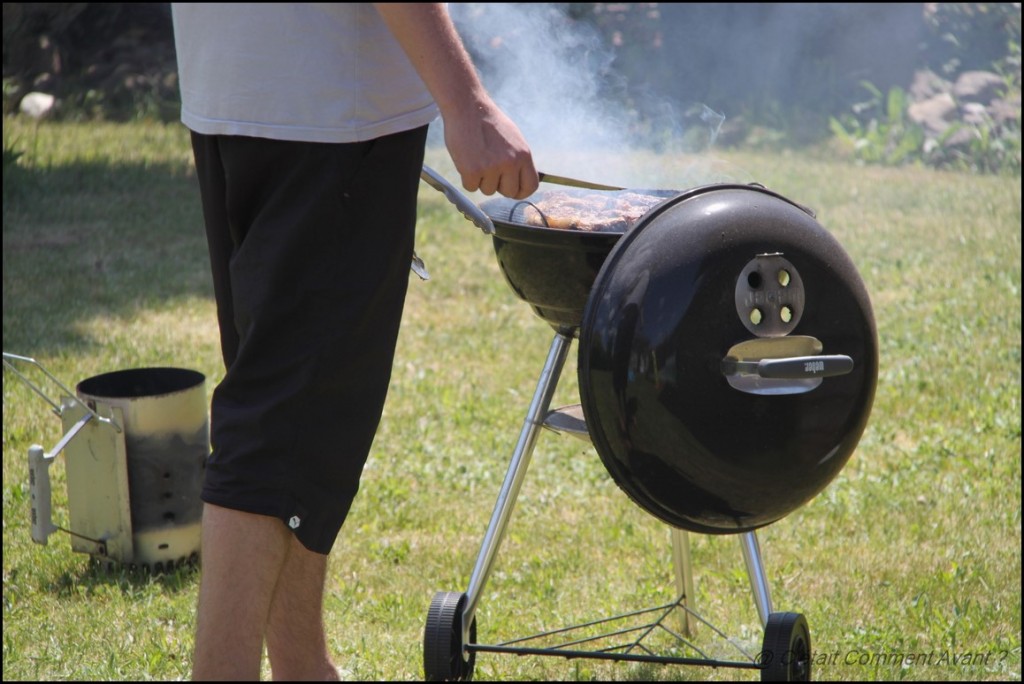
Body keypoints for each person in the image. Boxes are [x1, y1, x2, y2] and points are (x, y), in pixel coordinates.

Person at [170, 4, 538, 680]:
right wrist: (469, 103)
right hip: (331, 116)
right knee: (274, 433)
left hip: (228, 90)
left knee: (288, 419)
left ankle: (304, 665)